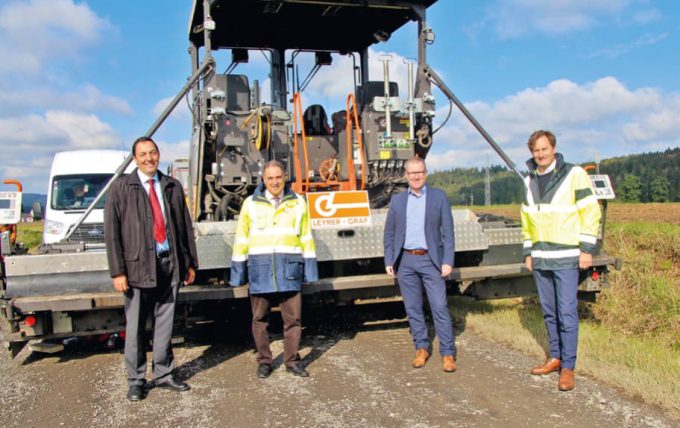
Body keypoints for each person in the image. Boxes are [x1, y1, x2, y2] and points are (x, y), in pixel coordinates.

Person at [105, 137, 199, 402]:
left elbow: (184, 228)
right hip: (136, 268)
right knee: (135, 326)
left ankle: (164, 373)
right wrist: (117, 272)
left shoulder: (171, 186)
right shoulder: (122, 188)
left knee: (165, 324)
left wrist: (190, 262)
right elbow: (112, 234)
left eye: (153, 153)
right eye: (143, 154)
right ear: (134, 158)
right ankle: (136, 380)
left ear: (159, 154)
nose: (149, 158)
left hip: (169, 264)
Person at [521, 130, 601, 391]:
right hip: (542, 258)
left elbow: (590, 211)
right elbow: (527, 219)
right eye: (536, 150)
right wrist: (528, 252)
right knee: (549, 312)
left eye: (544, 149)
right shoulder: (529, 179)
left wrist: (587, 248)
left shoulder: (574, 174)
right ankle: (554, 357)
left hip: (567, 256)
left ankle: (568, 367)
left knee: (566, 312)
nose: (540, 154)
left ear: (553, 149)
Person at [230, 160, 318, 378]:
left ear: (285, 177)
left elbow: (306, 236)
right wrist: (238, 273)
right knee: (260, 320)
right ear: (263, 180)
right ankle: (264, 361)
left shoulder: (298, 202)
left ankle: (292, 361)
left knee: (294, 320)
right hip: (261, 269)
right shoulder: (250, 203)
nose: (275, 182)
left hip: (289, 269)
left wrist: (310, 270)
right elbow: (241, 238)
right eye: (270, 178)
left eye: (278, 177)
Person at [383, 157, 457, 372]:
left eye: (420, 172)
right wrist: (389, 259)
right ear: (406, 175)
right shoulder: (397, 201)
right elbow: (390, 233)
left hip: (431, 260)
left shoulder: (439, 197)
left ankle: (448, 353)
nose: (416, 176)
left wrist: (447, 261)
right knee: (413, 307)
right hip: (405, 261)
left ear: (425, 173)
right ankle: (421, 348)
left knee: (439, 306)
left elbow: (448, 233)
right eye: (412, 173)